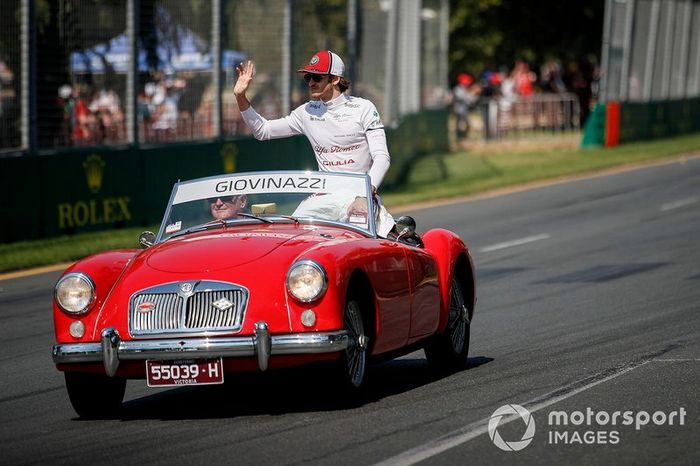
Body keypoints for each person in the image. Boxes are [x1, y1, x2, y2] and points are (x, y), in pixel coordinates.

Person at [233, 50, 395, 237]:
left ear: (335, 79)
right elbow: (263, 131)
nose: (311, 82)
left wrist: (365, 195)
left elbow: (382, 157)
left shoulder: (363, 108)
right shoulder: (307, 112)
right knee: (290, 239)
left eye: (317, 77)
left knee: (370, 241)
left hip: (359, 196)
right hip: (323, 198)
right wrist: (240, 97)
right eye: (308, 77)